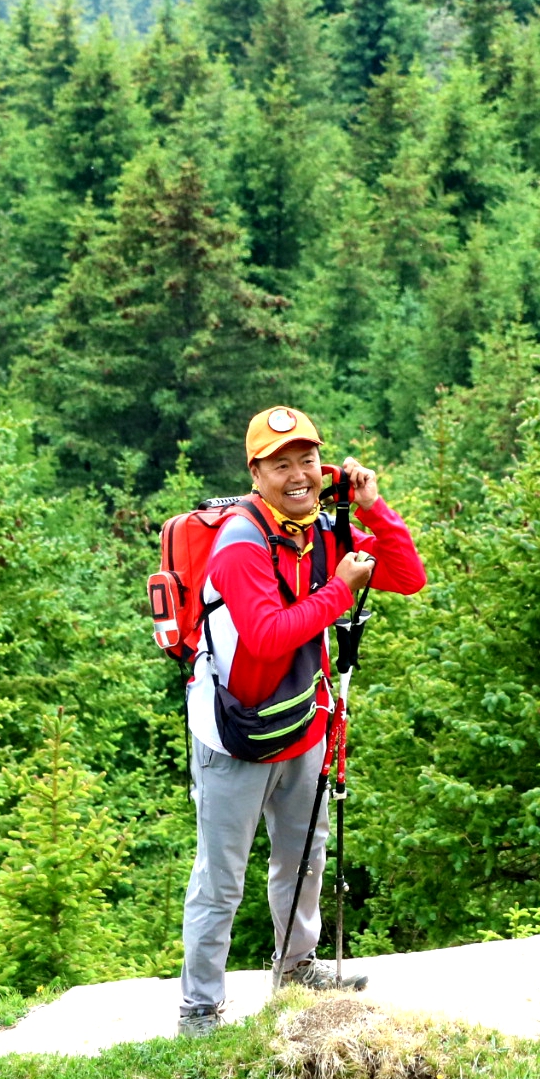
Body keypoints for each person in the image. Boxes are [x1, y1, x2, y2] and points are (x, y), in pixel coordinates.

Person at [178, 405, 427, 1036]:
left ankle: (297, 968)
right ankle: (200, 1009)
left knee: (303, 857)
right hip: (232, 735)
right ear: (255, 474)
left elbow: (407, 577)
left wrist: (373, 509)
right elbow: (265, 638)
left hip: (301, 723)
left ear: (323, 465)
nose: (299, 475)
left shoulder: (324, 531)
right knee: (220, 880)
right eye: (280, 464)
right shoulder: (239, 543)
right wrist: (340, 589)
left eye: (308, 461)